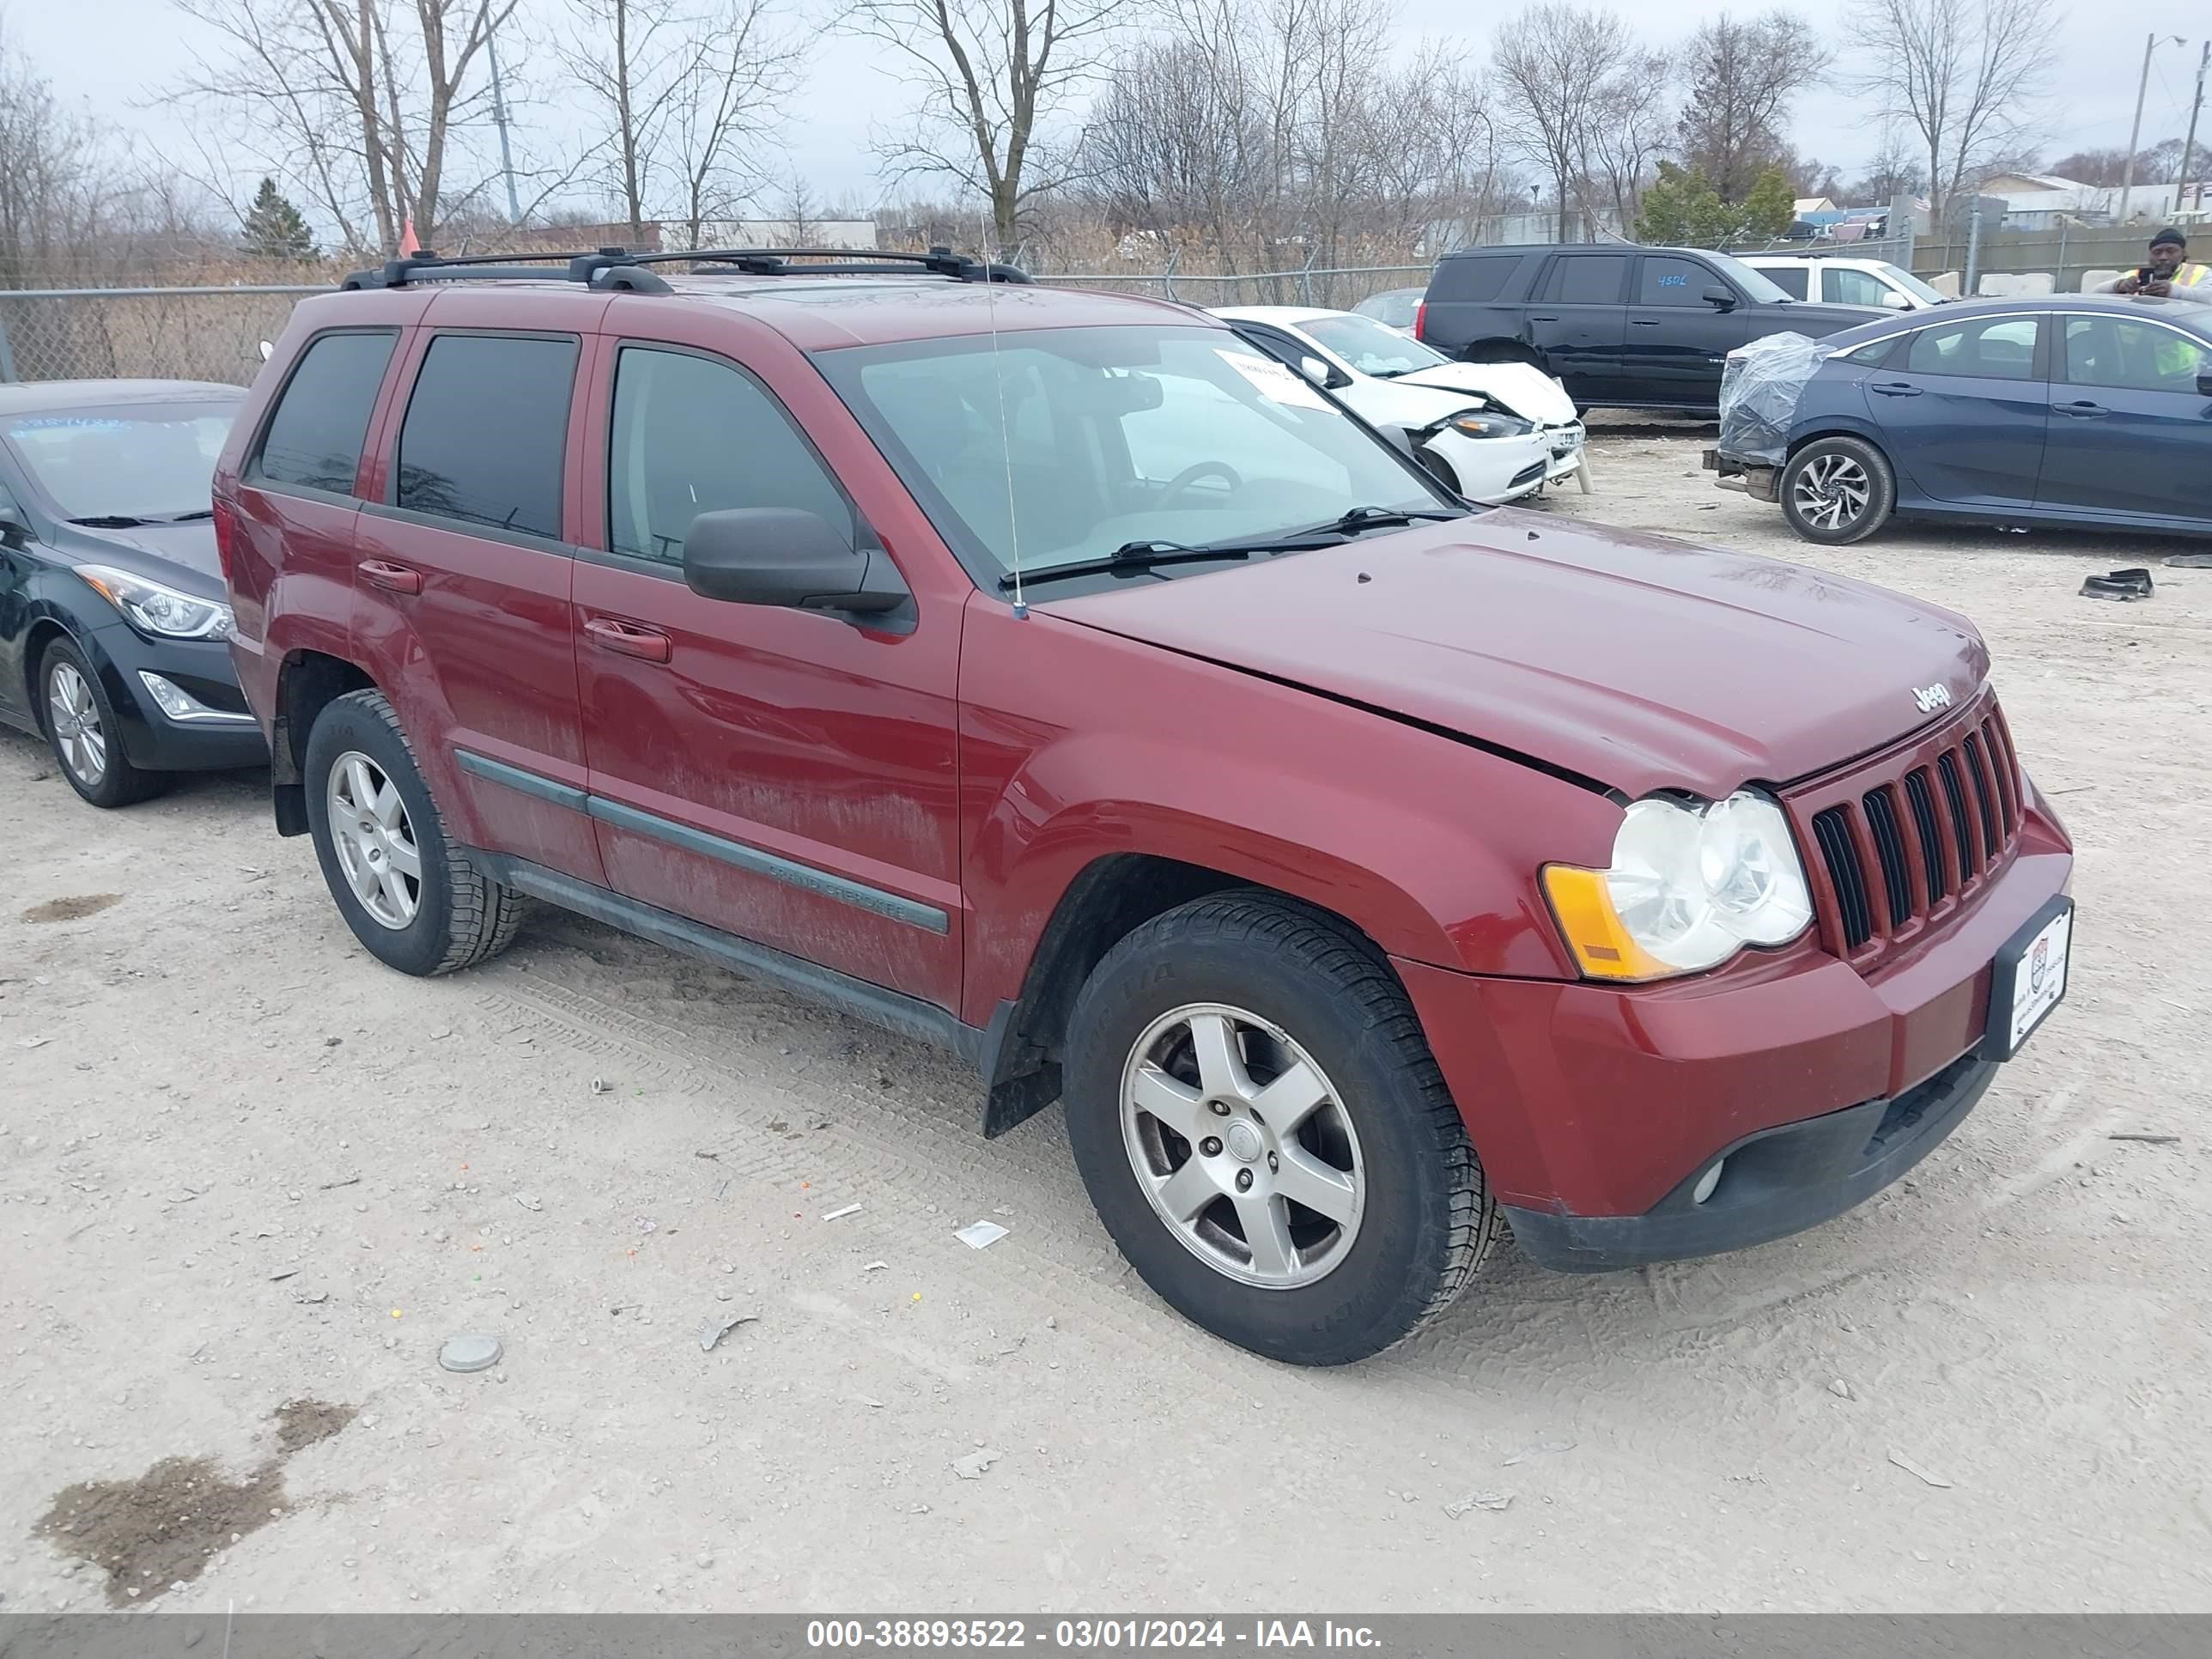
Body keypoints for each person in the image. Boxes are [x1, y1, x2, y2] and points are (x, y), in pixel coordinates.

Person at [2097, 228, 2209, 298]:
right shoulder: (2136, 274)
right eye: (2157, 252)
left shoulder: (2199, 272)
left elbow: (2209, 298)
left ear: (2183, 254)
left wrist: (2172, 291)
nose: (2163, 257)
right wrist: (2119, 285)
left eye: (2170, 251)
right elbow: (2095, 294)